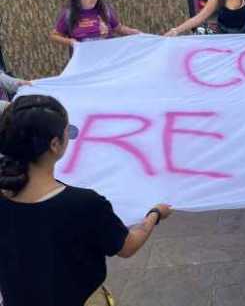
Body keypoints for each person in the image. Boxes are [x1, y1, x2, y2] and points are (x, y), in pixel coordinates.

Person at [0, 95, 172, 306]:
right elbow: (128, 246)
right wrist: (154, 214)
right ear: (55, 144)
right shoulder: (85, 204)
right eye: (67, 132)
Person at [50, 0, 140, 49]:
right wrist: (70, 42)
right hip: (86, 62)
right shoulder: (68, 15)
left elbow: (119, 28)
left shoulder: (105, 10)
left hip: (109, 57)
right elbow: (54, 35)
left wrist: (133, 32)